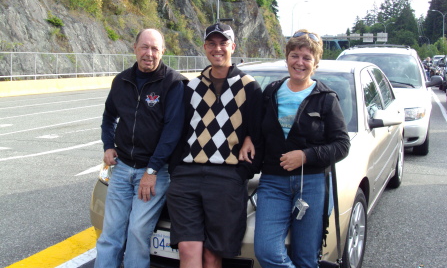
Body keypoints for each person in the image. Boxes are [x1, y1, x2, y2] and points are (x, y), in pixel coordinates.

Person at [166, 22, 263, 268]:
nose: (217, 48)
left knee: (212, 255)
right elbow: (179, 130)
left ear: (233, 46)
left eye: (223, 43)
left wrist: (242, 172)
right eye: (212, 43)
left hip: (226, 177)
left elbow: (259, 134)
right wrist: (175, 169)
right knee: (188, 249)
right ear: (205, 47)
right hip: (187, 175)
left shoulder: (249, 86)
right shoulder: (191, 87)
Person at [251, 29, 350, 268]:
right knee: (266, 252)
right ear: (287, 58)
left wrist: (306, 156)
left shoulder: (326, 97)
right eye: (295, 55)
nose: (300, 62)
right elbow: (256, 133)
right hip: (273, 182)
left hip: (312, 184)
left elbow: (342, 145)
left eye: (307, 57)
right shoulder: (271, 93)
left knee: (306, 258)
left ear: (315, 63)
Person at [94, 29, 187, 268]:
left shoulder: (173, 83)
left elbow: (172, 132)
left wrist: (152, 171)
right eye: (145, 47)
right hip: (123, 167)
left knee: (137, 231)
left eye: (155, 49)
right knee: (110, 233)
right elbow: (108, 117)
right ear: (134, 48)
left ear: (163, 52)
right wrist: (108, 145)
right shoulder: (121, 80)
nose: (149, 53)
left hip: (155, 172)